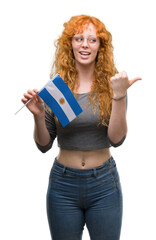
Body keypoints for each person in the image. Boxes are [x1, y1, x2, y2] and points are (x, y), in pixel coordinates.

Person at [22, 15, 141, 240]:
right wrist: (38, 117)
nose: (85, 44)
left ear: (100, 46)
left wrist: (119, 96)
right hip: (63, 185)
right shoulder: (57, 89)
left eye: (92, 40)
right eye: (78, 38)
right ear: (70, 44)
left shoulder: (113, 87)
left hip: (104, 184)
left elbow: (117, 140)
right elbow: (44, 145)